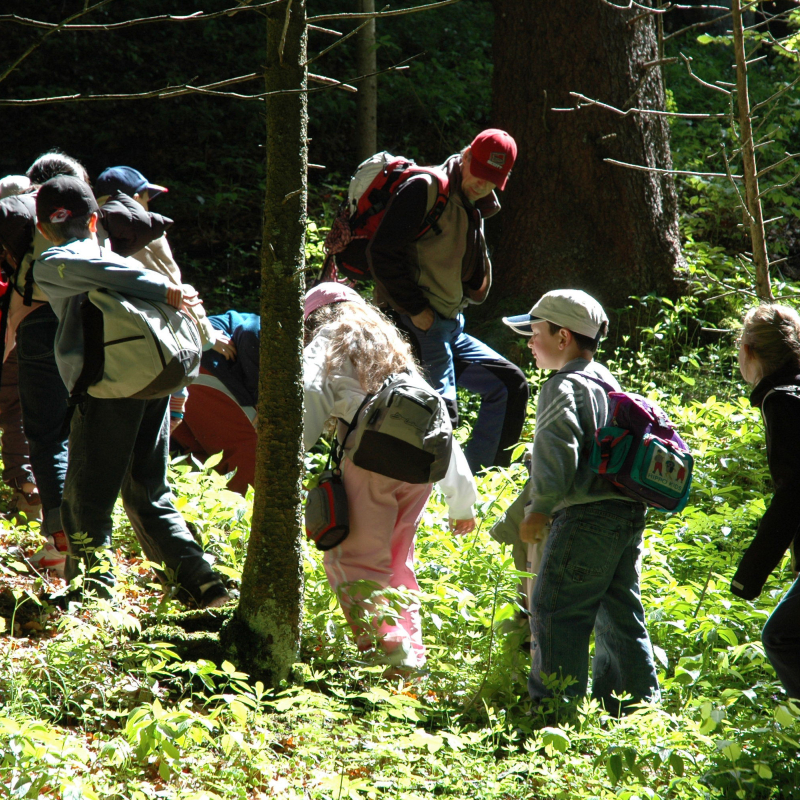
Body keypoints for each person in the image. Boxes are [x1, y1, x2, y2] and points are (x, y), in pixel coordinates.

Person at [33, 174, 229, 607]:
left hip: (109, 389)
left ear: (44, 227)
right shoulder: (123, 260)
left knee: (86, 499)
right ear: (94, 220)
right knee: (148, 490)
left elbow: (79, 267)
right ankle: (203, 585)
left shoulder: (54, 261)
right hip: (153, 381)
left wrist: (164, 289)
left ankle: (92, 601)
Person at [303, 282, 478, 670]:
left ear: (316, 319)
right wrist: (462, 500)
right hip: (418, 472)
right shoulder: (392, 349)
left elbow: (312, 388)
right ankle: (412, 655)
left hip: (369, 462)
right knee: (399, 562)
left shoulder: (331, 337)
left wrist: (291, 448)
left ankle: (387, 652)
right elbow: (435, 425)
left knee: (355, 561)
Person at [502, 289, 659, 712]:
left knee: (555, 612)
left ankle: (556, 714)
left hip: (585, 517)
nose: (530, 342)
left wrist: (537, 508)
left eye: (536, 333)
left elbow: (558, 450)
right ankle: (633, 710)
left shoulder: (561, 387)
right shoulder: (608, 383)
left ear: (563, 337)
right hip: (625, 514)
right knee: (620, 612)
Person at [367, 129, 529, 474]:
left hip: (449, 326)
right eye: (480, 174)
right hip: (414, 322)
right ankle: (428, 497)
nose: (482, 185)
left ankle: (479, 479)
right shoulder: (426, 188)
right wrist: (415, 308)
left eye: (492, 181)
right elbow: (381, 253)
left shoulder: (475, 204)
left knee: (509, 386)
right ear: (467, 155)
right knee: (440, 414)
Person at [732, 303, 800, 699]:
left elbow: (794, 495)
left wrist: (749, 576)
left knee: (780, 636)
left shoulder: (783, 400)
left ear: (750, 352)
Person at [172, 310, 259, 495]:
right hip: (200, 366)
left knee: (196, 457)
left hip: (174, 373)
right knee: (254, 448)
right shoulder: (276, 331)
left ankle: (194, 514)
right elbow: (250, 332)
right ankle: (246, 517)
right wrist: (261, 400)